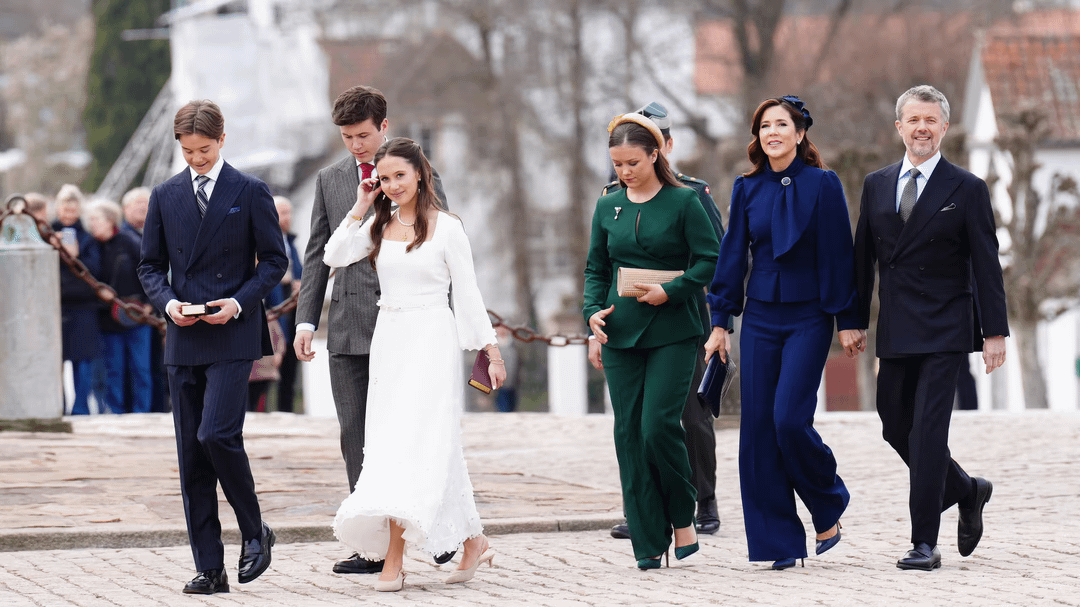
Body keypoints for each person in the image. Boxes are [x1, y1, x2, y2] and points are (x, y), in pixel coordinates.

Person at [324, 137, 504, 592]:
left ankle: (395, 558)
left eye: (399, 175)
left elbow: (468, 293)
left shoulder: (448, 228)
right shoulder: (379, 224)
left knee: (418, 443)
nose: (392, 185)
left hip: (432, 340)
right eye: (384, 178)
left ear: (420, 174)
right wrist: (360, 206)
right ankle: (474, 541)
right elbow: (334, 255)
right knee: (399, 445)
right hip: (390, 339)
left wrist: (490, 350)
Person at [293, 85, 451, 574]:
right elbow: (318, 253)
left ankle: (436, 530)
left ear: (384, 126)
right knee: (355, 435)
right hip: (348, 327)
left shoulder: (418, 172)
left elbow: (444, 249)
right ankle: (372, 546)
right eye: (347, 137)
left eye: (363, 135)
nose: (356, 146)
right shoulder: (330, 179)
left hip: (407, 327)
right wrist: (305, 319)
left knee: (414, 431)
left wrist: (444, 325)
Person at [704, 96, 862, 570]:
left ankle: (828, 501)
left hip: (809, 317)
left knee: (789, 420)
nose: (772, 132)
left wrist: (848, 319)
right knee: (757, 431)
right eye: (764, 126)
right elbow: (733, 256)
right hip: (760, 318)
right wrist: (719, 323)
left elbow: (839, 254)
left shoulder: (824, 184)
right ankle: (778, 543)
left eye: (781, 124)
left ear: (799, 133)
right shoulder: (747, 187)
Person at [853, 85, 1007, 571]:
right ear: (899, 126)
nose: (922, 128)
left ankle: (924, 542)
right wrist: (853, 321)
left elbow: (987, 264)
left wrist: (994, 332)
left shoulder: (967, 187)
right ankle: (966, 488)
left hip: (946, 327)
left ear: (944, 128)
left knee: (927, 433)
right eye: (914, 120)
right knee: (894, 425)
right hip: (897, 327)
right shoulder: (876, 184)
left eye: (931, 120)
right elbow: (862, 260)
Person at [138, 99, 287, 594]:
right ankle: (209, 567)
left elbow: (274, 261)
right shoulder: (164, 195)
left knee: (216, 435)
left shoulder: (250, 190)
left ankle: (254, 530)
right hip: (184, 334)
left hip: (232, 331)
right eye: (188, 151)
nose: (197, 159)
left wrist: (239, 302)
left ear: (222, 140)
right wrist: (168, 303)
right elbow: (149, 266)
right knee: (191, 455)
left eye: (204, 149)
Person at [584, 113, 718, 569]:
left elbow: (710, 259)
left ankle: (682, 515)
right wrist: (591, 313)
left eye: (633, 163)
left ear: (655, 155)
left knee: (657, 427)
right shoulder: (607, 205)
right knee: (628, 434)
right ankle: (647, 540)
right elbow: (596, 268)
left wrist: (673, 290)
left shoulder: (685, 201)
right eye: (617, 164)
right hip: (619, 331)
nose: (624, 171)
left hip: (673, 330)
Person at [86, 198, 152, 414]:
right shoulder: (91, 245)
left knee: (141, 369)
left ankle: (142, 412)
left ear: (110, 220)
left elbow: (150, 271)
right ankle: (115, 411)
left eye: (96, 219)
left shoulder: (129, 241)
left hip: (136, 314)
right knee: (113, 369)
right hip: (107, 318)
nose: (92, 224)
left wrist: (149, 304)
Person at [52, 184, 104, 415]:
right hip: (55, 306)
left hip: (83, 307)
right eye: (65, 209)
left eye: (73, 210)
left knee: (83, 361)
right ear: (58, 208)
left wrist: (76, 256)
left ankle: (81, 408)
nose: (69, 214)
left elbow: (96, 271)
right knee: (54, 361)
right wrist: (53, 246)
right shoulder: (46, 233)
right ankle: (57, 407)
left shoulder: (87, 238)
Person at [122, 186, 169, 414]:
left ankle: (154, 408)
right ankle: (135, 410)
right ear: (125, 208)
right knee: (131, 367)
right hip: (131, 309)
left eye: (146, 204)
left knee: (153, 365)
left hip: (155, 308)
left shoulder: (158, 233)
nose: (143, 208)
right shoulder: (121, 237)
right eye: (138, 203)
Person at [271, 196, 303, 413]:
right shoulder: (263, 241)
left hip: (292, 310)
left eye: (288, 213)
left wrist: (299, 283)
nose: (287, 218)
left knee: (291, 362)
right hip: (274, 311)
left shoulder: (291, 244)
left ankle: (287, 411)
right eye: (282, 213)